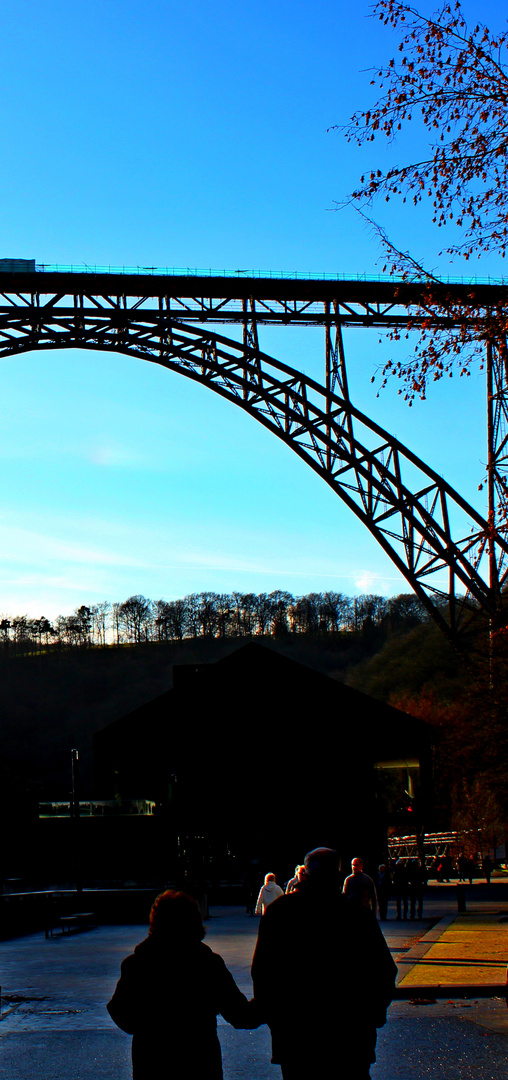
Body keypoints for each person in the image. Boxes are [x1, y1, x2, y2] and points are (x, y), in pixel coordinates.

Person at [252, 846, 397, 1080]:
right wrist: (373, 1015)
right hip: (350, 1034)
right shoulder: (356, 914)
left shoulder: (279, 913)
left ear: (304, 875)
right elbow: (383, 970)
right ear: (338, 876)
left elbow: (263, 973)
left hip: (296, 1035)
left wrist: (275, 1020)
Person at [107, 889, 260, 1080]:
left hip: (152, 1062)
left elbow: (121, 1013)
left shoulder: (136, 964)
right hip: (199, 1061)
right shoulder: (208, 963)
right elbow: (239, 1015)